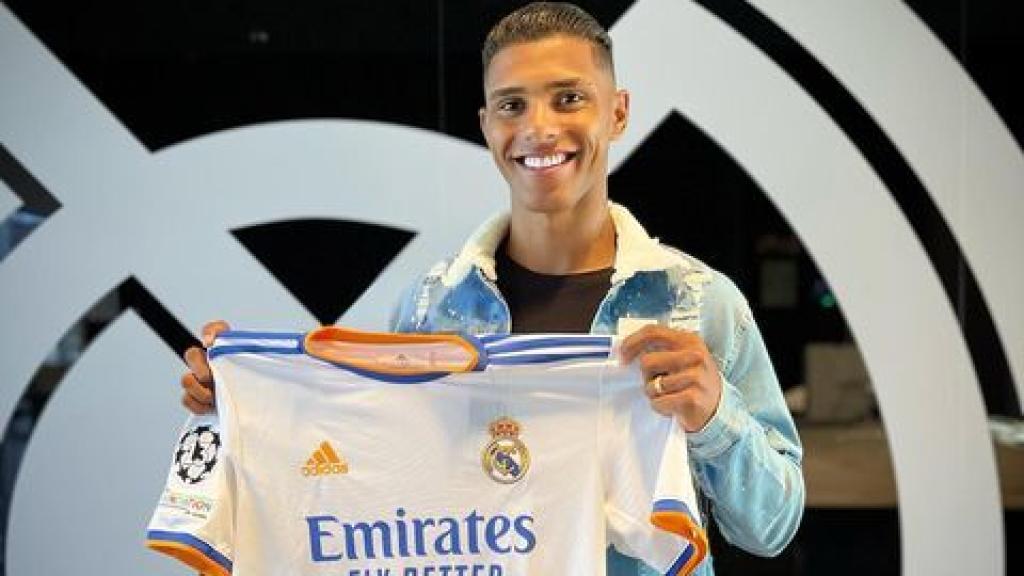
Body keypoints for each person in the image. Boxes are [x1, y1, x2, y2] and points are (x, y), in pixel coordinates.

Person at [179, 3, 803, 574]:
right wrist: (241, 403)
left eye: (568, 98)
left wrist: (713, 413)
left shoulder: (698, 303)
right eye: (512, 105)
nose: (538, 128)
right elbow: (370, 479)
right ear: (485, 125)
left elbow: (772, 528)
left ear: (617, 112)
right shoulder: (429, 307)